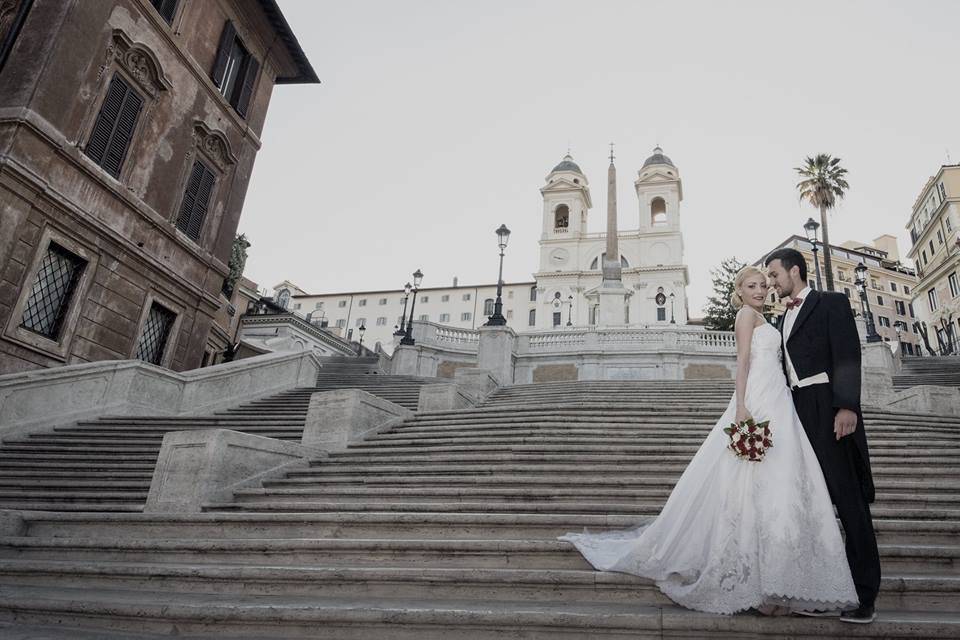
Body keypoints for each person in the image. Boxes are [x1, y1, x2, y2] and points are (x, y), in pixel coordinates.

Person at [560, 265, 859, 616]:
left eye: (764, 285)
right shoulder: (746, 316)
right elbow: (743, 361)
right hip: (760, 398)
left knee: (780, 483)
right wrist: (743, 407)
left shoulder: (767, 318)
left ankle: (778, 581)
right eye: (752, 286)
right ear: (740, 290)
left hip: (780, 397)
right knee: (756, 481)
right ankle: (761, 582)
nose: (761, 290)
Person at [764, 248, 880, 623]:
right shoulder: (782, 320)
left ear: (794, 271)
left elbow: (847, 354)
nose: (772, 282)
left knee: (849, 502)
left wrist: (846, 406)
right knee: (812, 503)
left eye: (775, 274)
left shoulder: (831, 302)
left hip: (828, 408)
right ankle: (821, 589)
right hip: (795, 412)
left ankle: (865, 596)